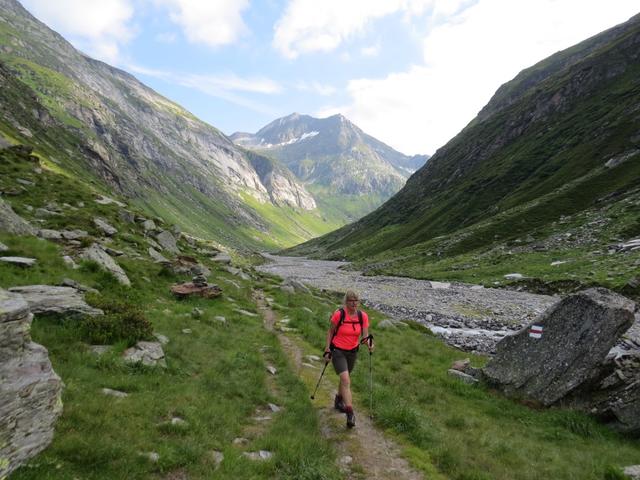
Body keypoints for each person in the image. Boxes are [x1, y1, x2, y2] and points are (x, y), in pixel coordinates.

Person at [323, 289, 374, 428]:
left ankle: (339, 400)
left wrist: (369, 343)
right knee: (346, 379)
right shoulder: (339, 314)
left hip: (352, 352)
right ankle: (350, 413)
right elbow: (331, 332)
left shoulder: (362, 316)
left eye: (356, 300)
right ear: (346, 301)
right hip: (338, 350)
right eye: (351, 300)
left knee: (345, 378)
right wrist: (327, 349)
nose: (354, 303)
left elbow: (364, 337)